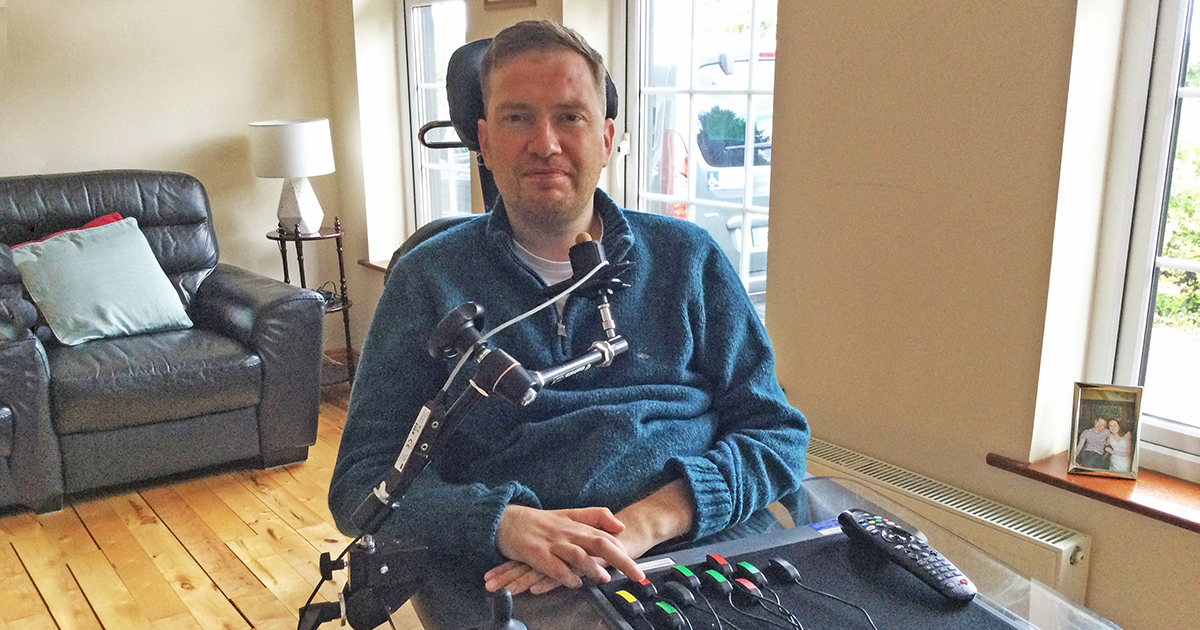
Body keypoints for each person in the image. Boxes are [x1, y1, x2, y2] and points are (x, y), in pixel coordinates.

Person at [328, 19, 809, 598]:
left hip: (694, 549)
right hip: (515, 577)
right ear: (483, 141)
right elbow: (361, 482)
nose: (545, 143)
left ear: (605, 139)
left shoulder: (688, 259)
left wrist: (650, 521)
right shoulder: (428, 281)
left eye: (570, 116)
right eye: (517, 117)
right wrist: (500, 523)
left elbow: (777, 435)